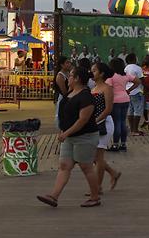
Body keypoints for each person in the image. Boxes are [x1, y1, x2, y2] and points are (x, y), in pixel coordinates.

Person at [36, 65, 102, 208]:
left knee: (86, 166)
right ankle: (54, 195)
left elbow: (82, 120)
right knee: (64, 165)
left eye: (71, 76)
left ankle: (95, 196)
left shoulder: (86, 97)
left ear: (77, 79)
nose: (68, 79)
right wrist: (63, 131)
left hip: (85, 136)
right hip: (69, 137)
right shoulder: (69, 95)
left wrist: (66, 132)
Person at [90, 62, 121, 192]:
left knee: (98, 156)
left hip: (104, 124)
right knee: (95, 157)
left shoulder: (107, 88)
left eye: (94, 71)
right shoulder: (93, 88)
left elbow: (108, 109)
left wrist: (96, 120)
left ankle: (97, 187)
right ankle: (113, 173)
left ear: (101, 73)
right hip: (95, 124)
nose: (92, 73)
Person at [106, 57, 135, 152]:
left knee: (116, 123)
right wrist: (128, 90)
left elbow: (108, 89)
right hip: (125, 99)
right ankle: (123, 144)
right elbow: (138, 81)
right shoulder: (125, 75)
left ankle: (115, 145)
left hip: (115, 101)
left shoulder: (111, 77)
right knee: (123, 122)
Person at [124, 53, 144, 139]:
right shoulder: (138, 68)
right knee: (137, 111)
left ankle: (132, 129)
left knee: (130, 111)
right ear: (133, 59)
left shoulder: (126, 68)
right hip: (136, 91)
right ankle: (135, 130)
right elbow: (141, 79)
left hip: (127, 91)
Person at [52, 57, 72, 123]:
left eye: (69, 62)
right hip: (64, 99)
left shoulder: (69, 73)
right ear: (62, 65)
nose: (69, 64)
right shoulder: (60, 76)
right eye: (67, 63)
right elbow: (64, 92)